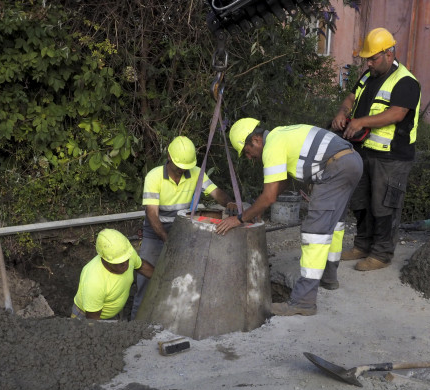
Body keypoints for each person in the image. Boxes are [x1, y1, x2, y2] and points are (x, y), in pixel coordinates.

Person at [216, 118, 363, 316]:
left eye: (247, 152)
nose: (250, 158)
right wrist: (260, 208)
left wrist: (240, 219)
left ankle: (303, 301)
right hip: (351, 161)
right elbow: (281, 183)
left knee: (314, 232)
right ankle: (329, 278)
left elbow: (268, 196)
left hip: (335, 168)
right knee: (334, 223)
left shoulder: (272, 147)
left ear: (256, 140)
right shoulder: (281, 135)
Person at [331, 27, 421, 271]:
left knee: (384, 206)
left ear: (389, 54)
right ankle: (362, 245)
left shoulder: (405, 81)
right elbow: (351, 98)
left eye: (373, 58)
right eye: (367, 59)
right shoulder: (367, 76)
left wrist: (361, 122)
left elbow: (397, 113)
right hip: (363, 151)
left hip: (392, 157)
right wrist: (343, 113)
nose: (368, 63)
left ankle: (381, 254)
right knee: (360, 201)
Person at [130, 136, 235, 320]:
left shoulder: (195, 173)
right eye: (179, 167)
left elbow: (216, 193)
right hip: (156, 233)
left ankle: (175, 320)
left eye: (185, 167)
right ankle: (136, 323)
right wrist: (166, 239)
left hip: (184, 231)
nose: (182, 171)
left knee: (185, 278)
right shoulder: (154, 177)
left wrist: (230, 203)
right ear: (169, 156)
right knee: (147, 281)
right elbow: (152, 215)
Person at [72, 228, 154, 320]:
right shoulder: (94, 282)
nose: (125, 263)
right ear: (104, 259)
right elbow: (93, 322)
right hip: (87, 316)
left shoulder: (126, 254)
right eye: (119, 262)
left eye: (126, 259)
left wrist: (162, 279)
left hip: (113, 312)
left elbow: (142, 266)